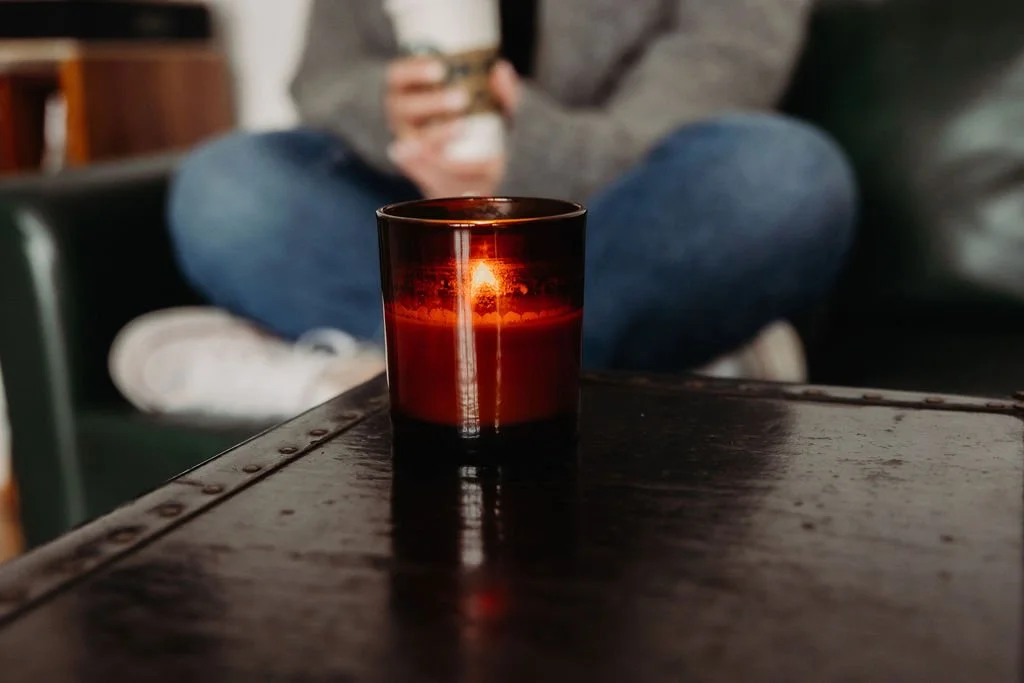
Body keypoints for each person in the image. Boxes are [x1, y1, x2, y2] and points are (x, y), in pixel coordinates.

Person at [109, 0, 856, 420]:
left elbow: (719, 75)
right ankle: (670, 360)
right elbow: (326, 76)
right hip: (422, 219)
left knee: (784, 174)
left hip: (617, 219)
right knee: (227, 182)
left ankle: (363, 376)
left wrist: (527, 154)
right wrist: (387, 107)